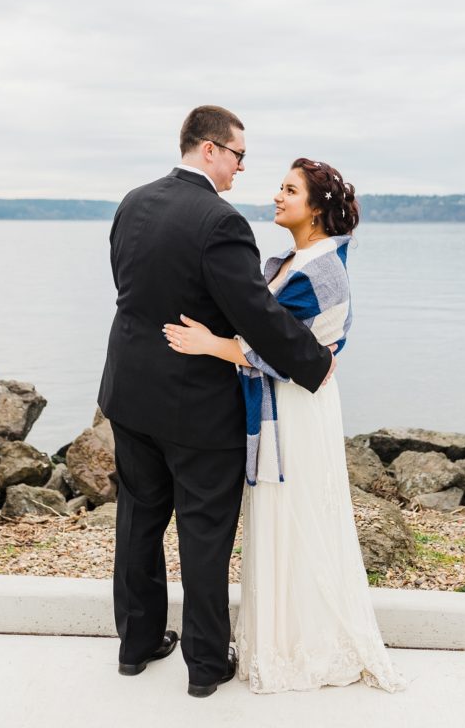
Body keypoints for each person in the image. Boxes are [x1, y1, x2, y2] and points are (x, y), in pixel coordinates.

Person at [97, 106, 335, 697]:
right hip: (196, 407)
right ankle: (205, 665)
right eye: (238, 156)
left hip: (127, 390)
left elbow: (130, 286)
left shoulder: (132, 202)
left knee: (139, 519)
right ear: (209, 149)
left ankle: (136, 645)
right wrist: (313, 363)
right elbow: (253, 310)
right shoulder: (220, 222)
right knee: (204, 533)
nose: (241, 169)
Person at [162, 159, 405, 693]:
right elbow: (265, 324)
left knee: (297, 516)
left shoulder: (322, 269)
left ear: (316, 209)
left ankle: (304, 644)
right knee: (278, 518)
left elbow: (281, 350)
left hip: (296, 409)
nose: (277, 196)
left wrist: (211, 345)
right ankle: (277, 636)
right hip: (285, 403)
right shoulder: (295, 259)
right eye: (280, 187)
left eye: (290, 190)